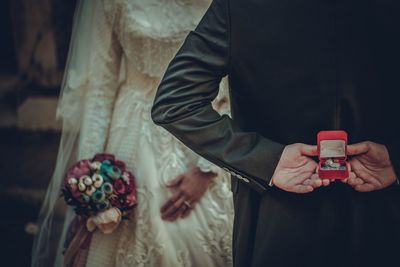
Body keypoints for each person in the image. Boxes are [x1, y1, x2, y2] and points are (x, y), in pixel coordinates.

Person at [151, 0, 400, 266]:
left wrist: (266, 159)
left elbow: (176, 102)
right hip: (384, 217)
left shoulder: (239, 7)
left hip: (276, 222)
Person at [32, 1, 233, 266]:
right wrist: (92, 179)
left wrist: (209, 168)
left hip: (202, 130)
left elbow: (234, 84)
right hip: (133, 133)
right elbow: (100, 90)